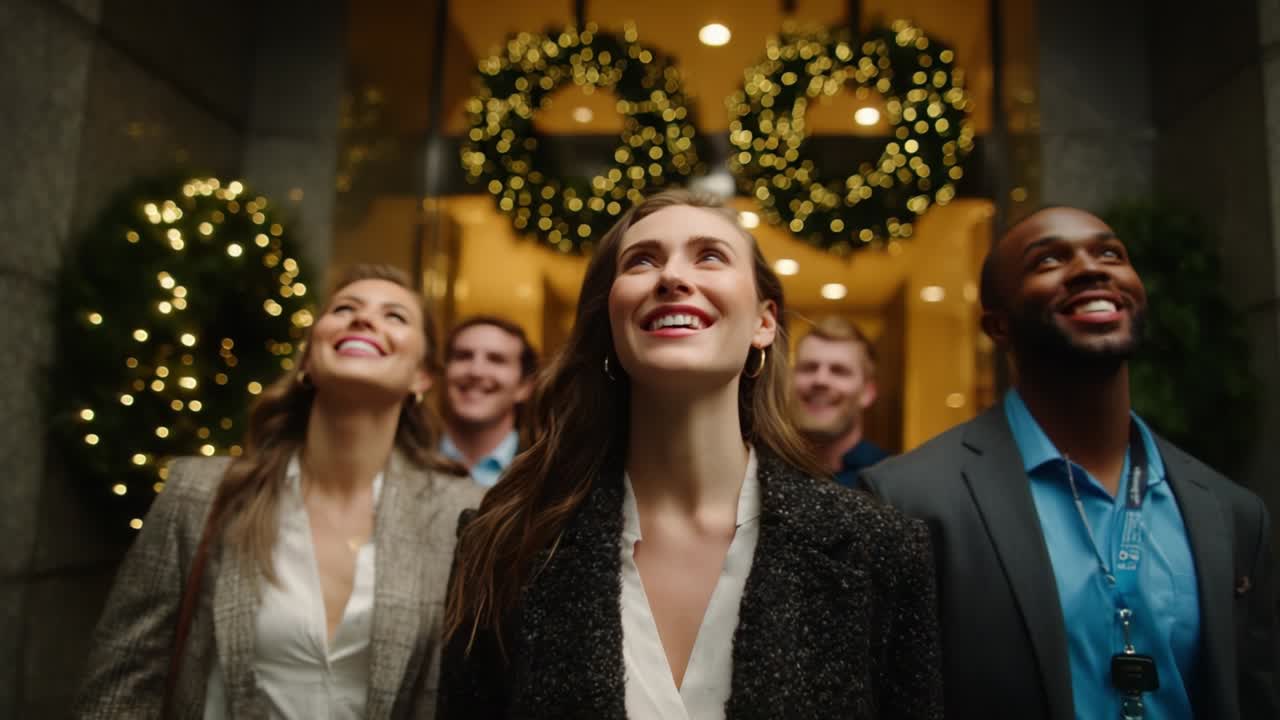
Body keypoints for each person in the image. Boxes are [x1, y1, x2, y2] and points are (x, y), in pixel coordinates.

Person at [436, 190, 943, 720]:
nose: (672, 277)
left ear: (763, 322)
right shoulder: (506, 542)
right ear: (610, 322)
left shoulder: (879, 548)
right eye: (642, 260)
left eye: (709, 256)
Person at [862, 206, 1279, 720]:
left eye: (1110, 253)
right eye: (1049, 261)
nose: (1089, 268)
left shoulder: (1231, 513)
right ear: (998, 324)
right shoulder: (907, 502)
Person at [75, 264, 484, 719]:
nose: (364, 320)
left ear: (422, 377)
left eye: (395, 316)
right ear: (307, 359)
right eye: (345, 309)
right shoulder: (201, 493)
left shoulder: (462, 514)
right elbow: (122, 684)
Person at [439, 315, 537, 487]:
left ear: (524, 387)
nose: (476, 371)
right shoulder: (404, 457)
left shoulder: (544, 470)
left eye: (496, 359)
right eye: (463, 356)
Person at [791, 316, 887, 486]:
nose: (820, 380)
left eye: (839, 371)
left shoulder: (891, 481)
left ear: (868, 392)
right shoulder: (756, 473)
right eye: (809, 368)